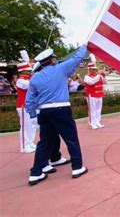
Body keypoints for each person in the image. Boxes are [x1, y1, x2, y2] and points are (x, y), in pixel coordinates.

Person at [26, 46, 89, 185]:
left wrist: (32, 115)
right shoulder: (60, 68)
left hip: (44, 112)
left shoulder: (35, 77)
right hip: (61, 110)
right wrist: (85, 46)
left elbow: (29, 100)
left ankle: (35, 173)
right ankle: (77, 167)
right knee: (71, 139)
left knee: (44, 142)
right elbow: (77, 58)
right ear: (53, 60)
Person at [15, 51, 37, 153]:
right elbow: (28, 85)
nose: (30, 71)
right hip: (23, 105)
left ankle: (30, 142)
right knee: (25, 126)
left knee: (32, 125)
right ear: (22, 71)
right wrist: (34, 77)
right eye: (28, 70)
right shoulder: (20, 80)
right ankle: (24, 146)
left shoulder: (29, 78)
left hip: (30, 105)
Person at [84, 56, 106, 129]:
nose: (95, 70)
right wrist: (99, 75)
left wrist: (104, 76)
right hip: (91, 95)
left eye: (95, 69)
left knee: (98, 109)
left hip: (99, 95)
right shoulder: (87, 76)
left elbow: (105, 83)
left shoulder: (99, 76)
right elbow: (91, 82)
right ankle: (92, 123)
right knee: (92, 110)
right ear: (90, 70)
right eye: (93, 69)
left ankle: (97, 122)